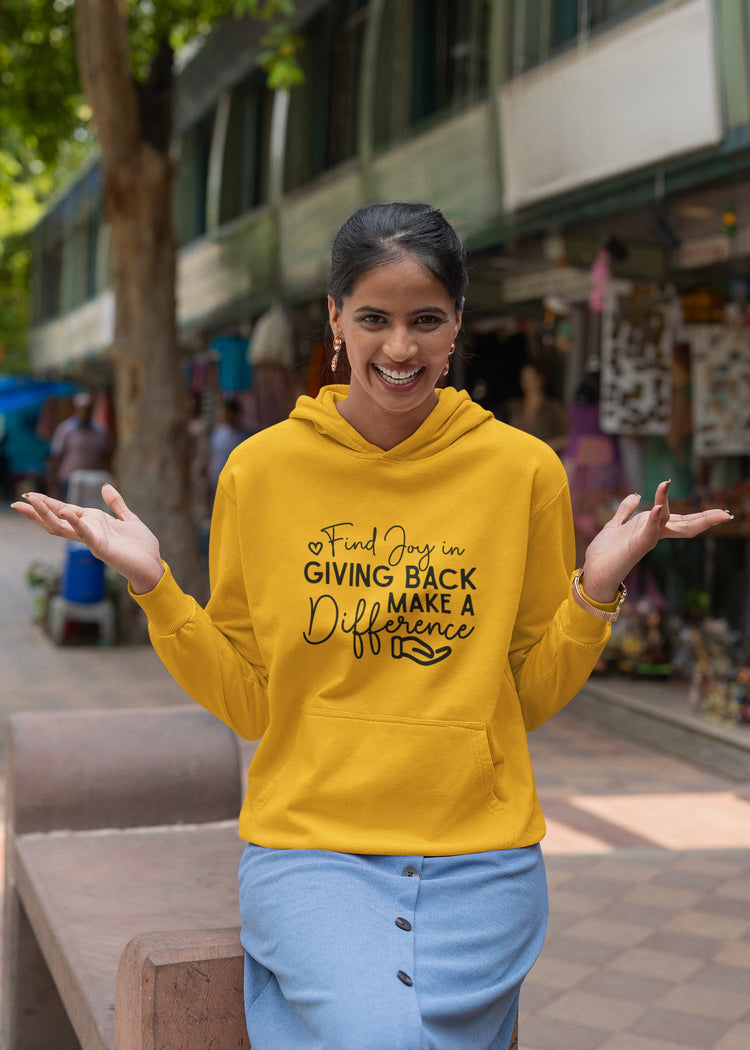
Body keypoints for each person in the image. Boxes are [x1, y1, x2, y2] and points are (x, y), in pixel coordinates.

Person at [11, 202, 732, 1050]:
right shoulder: (262, 471)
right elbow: (250, 704)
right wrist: (156, 588)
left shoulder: (522, 471)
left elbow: (525, 698)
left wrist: (595, 592)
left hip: (483, 861)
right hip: (312, 854)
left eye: (426, 320)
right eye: (375, 319)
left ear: (458, 323)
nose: (401, 348)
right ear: (334, 319)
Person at [47, 391, 112, 501]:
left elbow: (106, 456)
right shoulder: (65, 429)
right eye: (81, 410)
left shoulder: (101, 431)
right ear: (76, 410)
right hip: (68, 480)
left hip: (93, 481)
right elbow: (55, 456)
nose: (84, 414)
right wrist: (53, 484)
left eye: (87, 410)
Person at [504, 360, 569, 453]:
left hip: (543, 459)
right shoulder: (513, 406)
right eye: (525, 378)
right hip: (516, 458)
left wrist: (546, 447)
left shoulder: (554, 408)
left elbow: (566, 438)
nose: (529, 383)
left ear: (541, 378)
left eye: (533, 378)